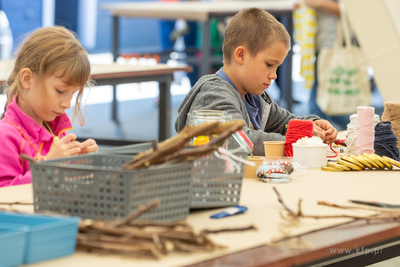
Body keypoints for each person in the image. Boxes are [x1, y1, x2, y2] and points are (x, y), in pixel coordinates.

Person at [175, 8, 338, 156]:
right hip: (211, 185)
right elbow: (237, 141)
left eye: (276, 68)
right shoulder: (213, 94)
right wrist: (299, 140)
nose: (274, 75)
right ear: (241, 55)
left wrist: (311, 125)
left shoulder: (253, 97)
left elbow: (283, 123)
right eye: (269, 65)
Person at [0, 26, 98, 187]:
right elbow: (4, 194)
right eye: (60, 91)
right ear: (27, 79)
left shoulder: (57, 131)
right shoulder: (5, 136)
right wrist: (47, 167)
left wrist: (81, 161)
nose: (67, 104)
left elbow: (62, 181)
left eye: (72, 94)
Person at [297, 0, 349, 130]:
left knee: (318, 104)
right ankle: (362, 130)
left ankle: (322, 139)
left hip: (331, 46)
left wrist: (319, 3)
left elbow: (346, 11)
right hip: (318, 46)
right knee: (327, 104)